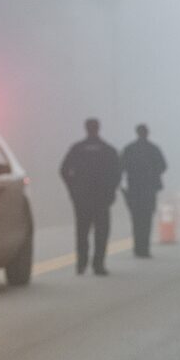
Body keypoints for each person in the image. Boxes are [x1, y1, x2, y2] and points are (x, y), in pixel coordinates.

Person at [60, 117, 121, 276]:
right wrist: (111, 191)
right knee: (101, 232)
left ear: (86, 128)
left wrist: (73, 189)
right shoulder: (108, 149)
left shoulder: (77, 149)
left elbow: (64, 170)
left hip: (82, 198)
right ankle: (98, 265)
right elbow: (117, 173)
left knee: (82, 232)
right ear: (98, 128)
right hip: (102, 198)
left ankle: (81, 264)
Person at [120, 123, 167, 258]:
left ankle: (138, 248)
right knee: (146, 220)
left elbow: (120, 168)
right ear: (147, 133)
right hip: (149, 189)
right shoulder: (153, 149)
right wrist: (152, 174)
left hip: (134, 189)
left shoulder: (129, 149)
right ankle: (144, 248)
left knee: (136, 220)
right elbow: (163, 166)